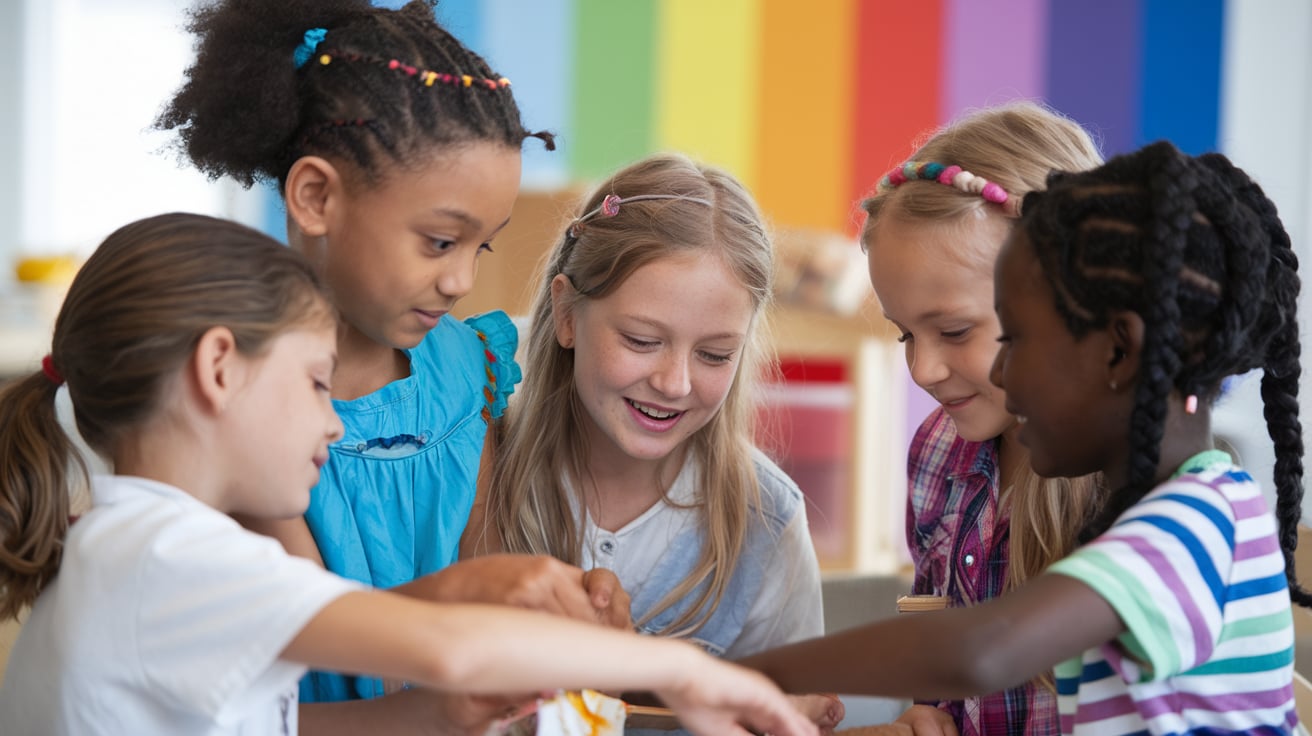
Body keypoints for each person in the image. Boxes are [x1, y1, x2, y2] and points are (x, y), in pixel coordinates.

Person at [0, 212, 820, 736]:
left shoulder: (141, 545)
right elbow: (451, 653)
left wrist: (437, 709)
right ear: (220, 369)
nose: (333, 418)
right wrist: (684, 673)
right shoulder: (165, 556)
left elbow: (291, 723)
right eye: (317, 383)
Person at [154, 0, 627, 720]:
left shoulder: (468, 369)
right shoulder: (236, 393)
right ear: (315, 197)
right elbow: (313, 638)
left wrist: (556, 617)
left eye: (482, 246)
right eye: (441, 241)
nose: (462, 280)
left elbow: (485, 587)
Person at [740, 141, 1309, 735]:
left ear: (1118, 349)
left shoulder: (1203, 524)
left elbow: (978, 653)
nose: (1004, 377)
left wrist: (731, 674)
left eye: (1015, 341)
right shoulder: (1180, 511)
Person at [853, 102, 1106, 736]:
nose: (923, 370)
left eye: (954, 330)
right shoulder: (938, 452)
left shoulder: (1136, 487)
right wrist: (925, 713)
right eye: (905, 335)